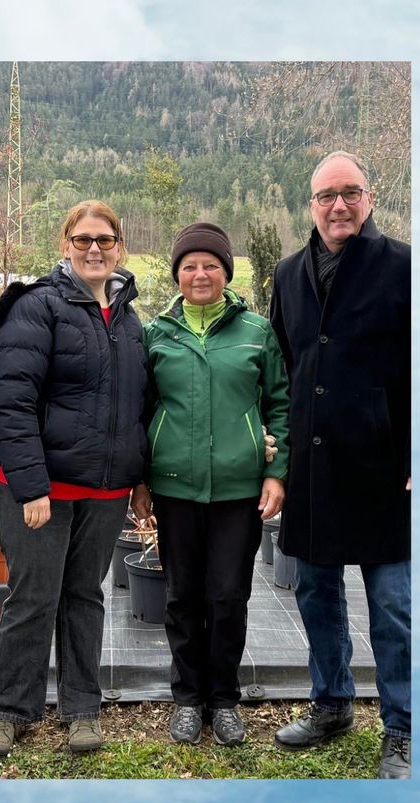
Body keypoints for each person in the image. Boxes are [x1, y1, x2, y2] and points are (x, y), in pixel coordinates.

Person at [0, 200, 149, 757]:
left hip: (104, 492)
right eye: (83, 240)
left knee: (84, 596)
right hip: (40, 490)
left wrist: (138, 478)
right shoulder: (39, 307)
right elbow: (10, 400)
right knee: (33, 597)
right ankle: (8, 710)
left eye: (105, 239)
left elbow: (139, 407)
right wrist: (30, 486)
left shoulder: (128, 319)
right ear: (65, 245)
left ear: (119, 246)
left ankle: (81, 709)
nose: (94, 249)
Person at [269, 151, 412, 779]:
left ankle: (402, 727)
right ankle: (332, 704)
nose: (339, 205)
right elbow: (287, 364)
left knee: (392, 605)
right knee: (315, 593)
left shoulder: (406, 267)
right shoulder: (287, 274)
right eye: (327, 195)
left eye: (350, 192)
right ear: (311, 206)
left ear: (369, 198)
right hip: (313, 468)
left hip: (385, 469)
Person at [133, 222, 289, 746]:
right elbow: (142, 409)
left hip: (238, 489)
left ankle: (223, 699)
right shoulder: (156, 334)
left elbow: (280, 406)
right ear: (177, 274)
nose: (200, 274)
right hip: (175, 487)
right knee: (182, 597)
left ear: (226, 271)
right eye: (189, 266)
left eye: (211, 265)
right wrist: (142, 481)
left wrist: (275, 470)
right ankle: (186, 697)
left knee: (227, 596)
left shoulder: (255, 331)